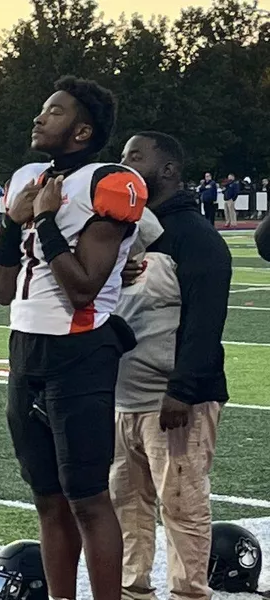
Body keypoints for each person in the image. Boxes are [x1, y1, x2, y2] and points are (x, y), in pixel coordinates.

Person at [0, 76, 147, 600]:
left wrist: (46, 222)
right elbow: (3, 289)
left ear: (82, 130)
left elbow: (83, 289)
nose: (40, 118)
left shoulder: (111, 180)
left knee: (86, 497)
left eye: (53, 111)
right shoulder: (30, 177)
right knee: (47, 500)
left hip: (80, 351)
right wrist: (16, 226)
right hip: (25, 347)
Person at [110, 131, 232, 600]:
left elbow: (205, 321)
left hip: (174, 400)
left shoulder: (195, 237)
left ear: (168, 170)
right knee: (127, 504)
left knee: (181, 504)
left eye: (135, 157)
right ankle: (131, 589)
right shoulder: (127, 231)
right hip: (125, 397)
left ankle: (188, 592)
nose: (124, 166)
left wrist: (181, 388)